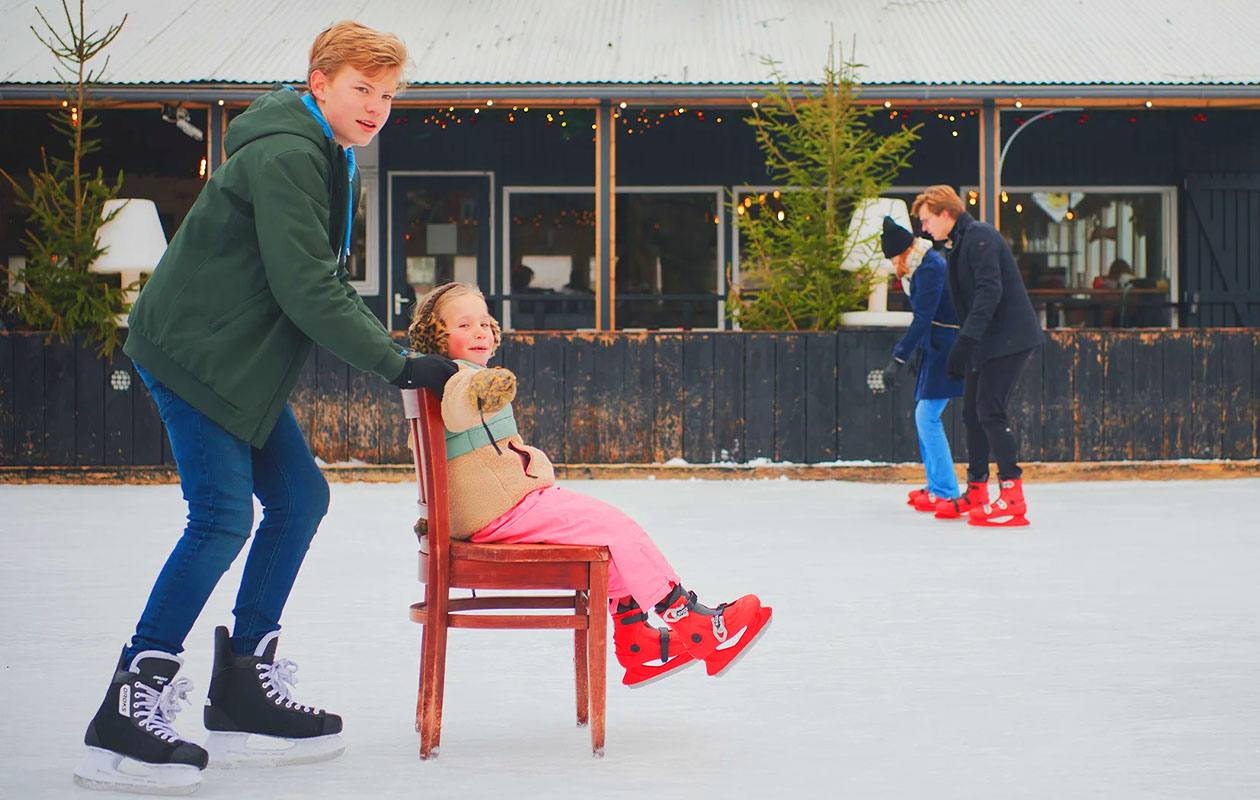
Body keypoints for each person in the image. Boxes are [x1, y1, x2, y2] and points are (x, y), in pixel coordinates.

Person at [74, 22, 458, 795]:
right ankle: (131, 696)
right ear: (319, 82)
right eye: (361, 89)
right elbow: (307, 284)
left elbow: (304, 278)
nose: (377, 106)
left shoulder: (324, 150)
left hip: (233, 363)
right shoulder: (289, 153)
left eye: (387, 95)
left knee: (299, 498)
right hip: (196, 355)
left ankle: (244, 682)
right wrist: (396, 362)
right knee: (221, 518)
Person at [407, 281, 772, 685]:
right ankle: (689, 621)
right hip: (501, 509)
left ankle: (637, 638)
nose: (479, 331)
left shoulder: (457, 374)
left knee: (610, 533)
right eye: (463, 325)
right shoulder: (455, 379)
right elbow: (459, 405)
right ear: (438, 337)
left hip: (500, 503)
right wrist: (480, 389)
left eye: (484, 323)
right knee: (616, 528)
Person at [912, 186, 1044, 527]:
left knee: (989, 410)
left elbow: (989, 292)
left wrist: (964, 343)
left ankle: (1013, 497)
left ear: (945, 213)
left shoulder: (980, 237)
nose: (924, 228)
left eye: (926, 220)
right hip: (986, 341)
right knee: (971, 413)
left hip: (1010, 338)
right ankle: (977, 491)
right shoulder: (958, 244)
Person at [877, 217, 964, 514]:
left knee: (927, 416)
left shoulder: (930, 268)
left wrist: (898, 359)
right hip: (936, 344)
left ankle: (946, 489)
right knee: (924, 415)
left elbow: (923, 317)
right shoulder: (920, 267)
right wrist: (917, 352)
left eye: (892, 259)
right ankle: (936, 485)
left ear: (903, 253)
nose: (893, 266)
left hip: (947, 346)